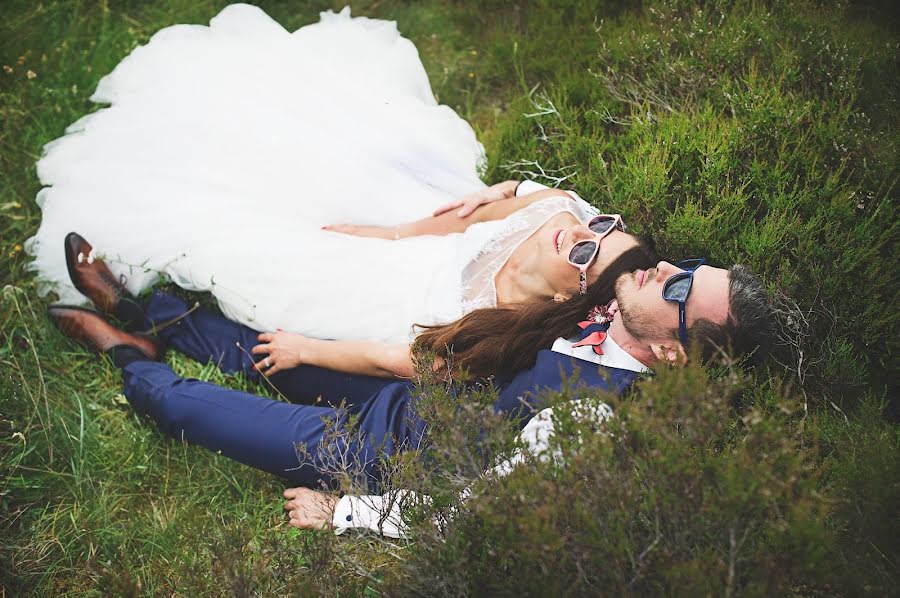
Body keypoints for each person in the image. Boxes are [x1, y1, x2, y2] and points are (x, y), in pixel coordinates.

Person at [26, 4, 652, 343]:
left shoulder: (518, 321)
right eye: (603, 224)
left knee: (260, 255)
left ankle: (146, 309)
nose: (580, 232)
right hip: (418, 230)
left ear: (573, 295)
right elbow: (464, 218)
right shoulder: (562, 215)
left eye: (589, 251)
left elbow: (415, 359)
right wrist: (386, 234)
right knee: (304, 162)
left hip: (397, 302)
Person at [48, 245, 773, 537]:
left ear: (673, 353)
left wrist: (345, 514)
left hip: (379, 458)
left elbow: (470, 512)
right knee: (269, 349)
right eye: (688, 264)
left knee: (188, 409)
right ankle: (150, 316)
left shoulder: (594, 418)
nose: (664, 267)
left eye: (681, 287)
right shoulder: (605, 307)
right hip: (414, 397)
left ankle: (129, 359)